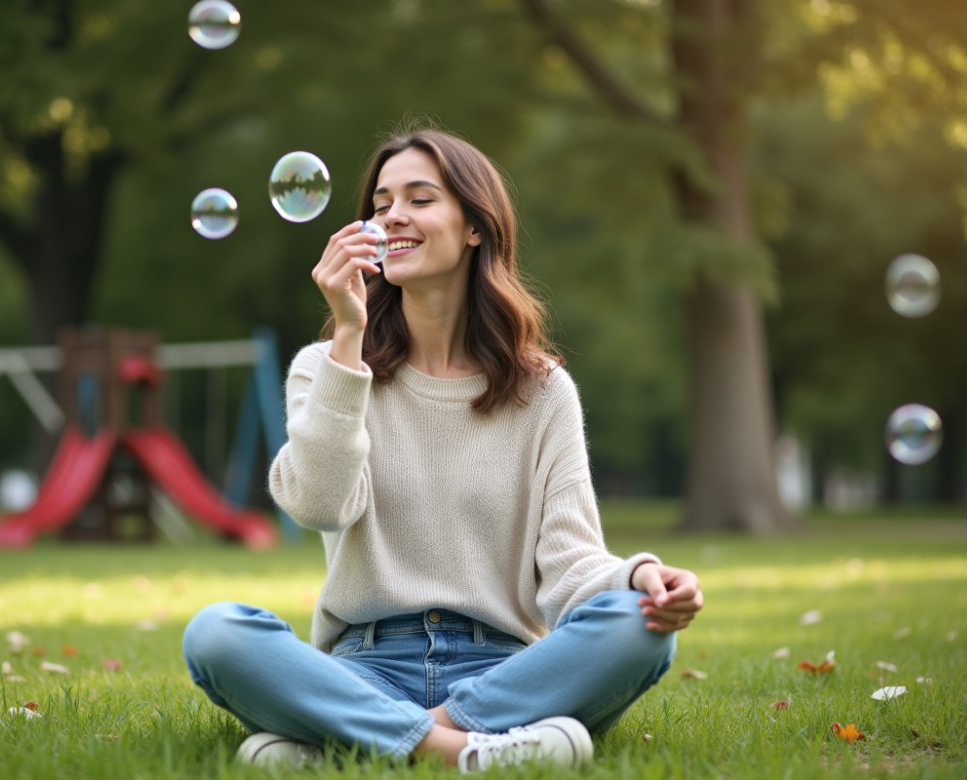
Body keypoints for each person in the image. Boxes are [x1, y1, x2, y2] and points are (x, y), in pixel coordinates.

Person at [182, 126, 704, 773]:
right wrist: (349, 335)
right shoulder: (325, 369)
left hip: (504, 669)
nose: (393, 215)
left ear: (475, 228)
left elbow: (567, 562)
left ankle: (350, 745)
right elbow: (318, 505)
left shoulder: (542, 391)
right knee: (217, 634)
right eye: (380, 204)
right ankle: (470, 753)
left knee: (639, 623)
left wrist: (638, 577)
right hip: (366, 664)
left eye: (419, 198)